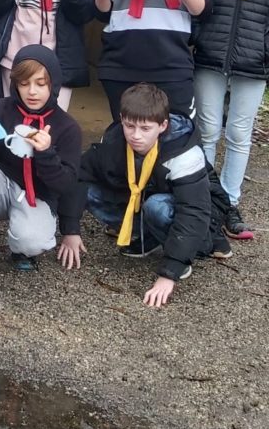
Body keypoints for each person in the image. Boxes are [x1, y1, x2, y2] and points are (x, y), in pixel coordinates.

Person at [57, 83, 222, 307]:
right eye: (129, 125)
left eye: (145, 129)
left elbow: (194, 212)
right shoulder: (115, 139)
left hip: (195, 221)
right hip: (142, 201)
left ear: (163, 125)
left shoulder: (184, 153)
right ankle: (149, 238)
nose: (135, 136)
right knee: (89, 192)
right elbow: (79, 176)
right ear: (121, 118)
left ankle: (178, 256)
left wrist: (169, 273)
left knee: (157, 206)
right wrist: (71, 230)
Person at [0, 45, 82, 289]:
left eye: (40, 84)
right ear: (15, 84)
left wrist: (46, 153)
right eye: (24, 83)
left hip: (36, 194)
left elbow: (67, 184)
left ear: (54, 85)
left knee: (32, 241)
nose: (32, 91)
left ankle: (21, 250)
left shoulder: (67, 126)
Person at [193, 0, 269, 240]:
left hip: (255, 61)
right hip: (210, 55)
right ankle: (204, 198)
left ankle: (230, 202)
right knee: (207, 129)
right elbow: (201, 2)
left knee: (239, 134)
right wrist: (196, 39)